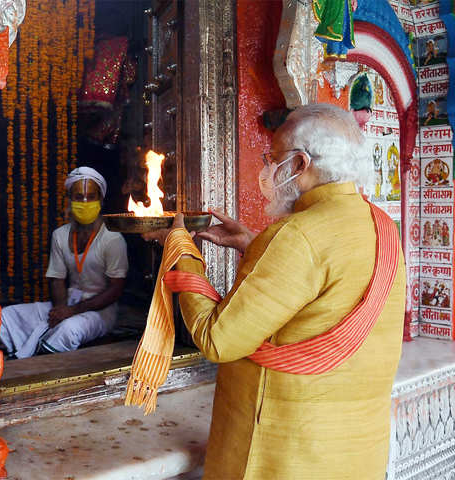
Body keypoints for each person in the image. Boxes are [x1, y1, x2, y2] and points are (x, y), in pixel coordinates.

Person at [145, 103, 406, 479]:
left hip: (285, 456)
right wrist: (253, 245)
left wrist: (182, 251)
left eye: (272, 158)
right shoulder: (381, 224)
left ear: (300, 165)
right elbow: (324, 287)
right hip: (354, 454)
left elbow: (217, 338)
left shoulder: (296, 235)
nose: (267, 169)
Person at [0, 166, 128, 358]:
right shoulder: (60, 235)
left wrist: (72, 311)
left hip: (100, 312)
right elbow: (57, 278)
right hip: (67, 303)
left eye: (91, 197)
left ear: (100, 200)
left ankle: (39, 365)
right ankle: (7, 357)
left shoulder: (112, 239)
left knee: (69, 330)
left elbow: (115, 290)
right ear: (70, 199)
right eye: (78, 197)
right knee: (7, 315)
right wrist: (61, 308)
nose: (85, 202)